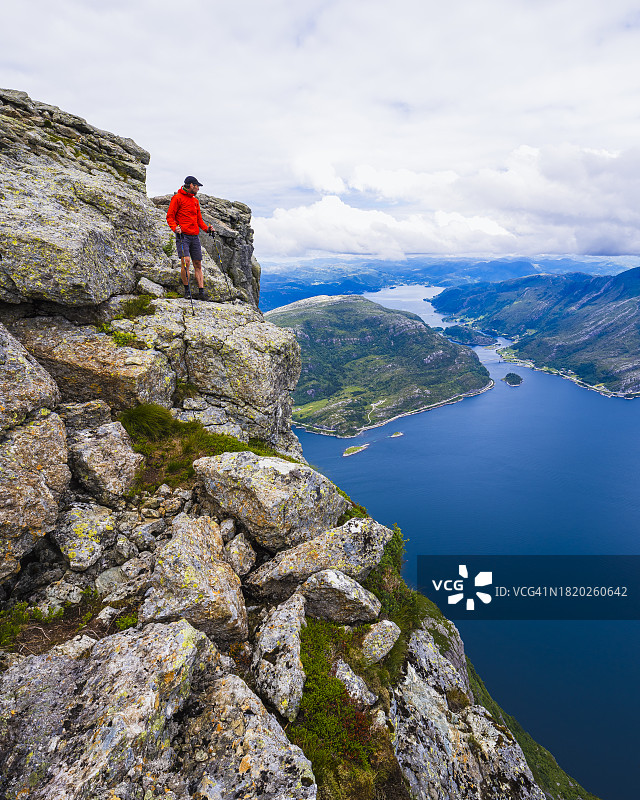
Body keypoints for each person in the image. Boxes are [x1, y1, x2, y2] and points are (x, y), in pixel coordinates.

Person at [166, 176, 214, 300]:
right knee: (186, 262)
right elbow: (170, 217)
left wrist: (207, 229)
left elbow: (199, 220)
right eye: (197, 186)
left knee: (197, 263)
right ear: (191, 185)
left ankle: (201, 292)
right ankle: (187, 292)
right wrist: (175, 227)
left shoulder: (195, 201)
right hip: (183, 236)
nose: (198, 188)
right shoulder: (177, 198)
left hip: (194, 237)